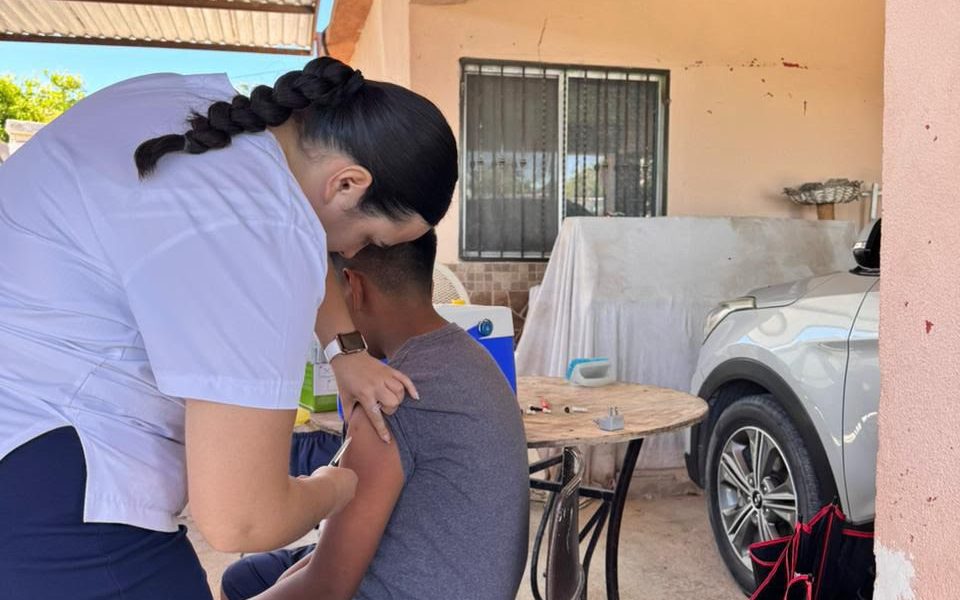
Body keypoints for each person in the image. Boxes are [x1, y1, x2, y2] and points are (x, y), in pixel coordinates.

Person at [0, 57, 458, 599]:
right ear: (347, 183)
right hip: (52, 480)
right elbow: (241, 520)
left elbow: (306, 239)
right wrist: (334, 487)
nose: (352, 257)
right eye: (371, 240)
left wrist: (346, 351)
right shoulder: (261, 223)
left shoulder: (200, 114)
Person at [221, 230, 530, 600]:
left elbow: (327, 588)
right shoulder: (473, 357)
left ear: (354, 287)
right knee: (247, 577)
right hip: (463, 579)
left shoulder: (387, 399)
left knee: (243, 584)